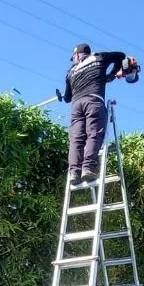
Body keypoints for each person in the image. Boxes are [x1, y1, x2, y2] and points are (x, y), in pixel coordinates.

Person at [58, 44, 129, 184]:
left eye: (73, 57)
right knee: (94, 134)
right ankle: (87, 168)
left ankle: (74, 172)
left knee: (76, 139)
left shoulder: (71, 71)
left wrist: (62, 95)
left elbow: (67, 98)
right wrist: (111, 75)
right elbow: (121, 56)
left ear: (78, 54)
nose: (73, 60)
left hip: (76, 106)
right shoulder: (99, 57)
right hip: (93, 101)